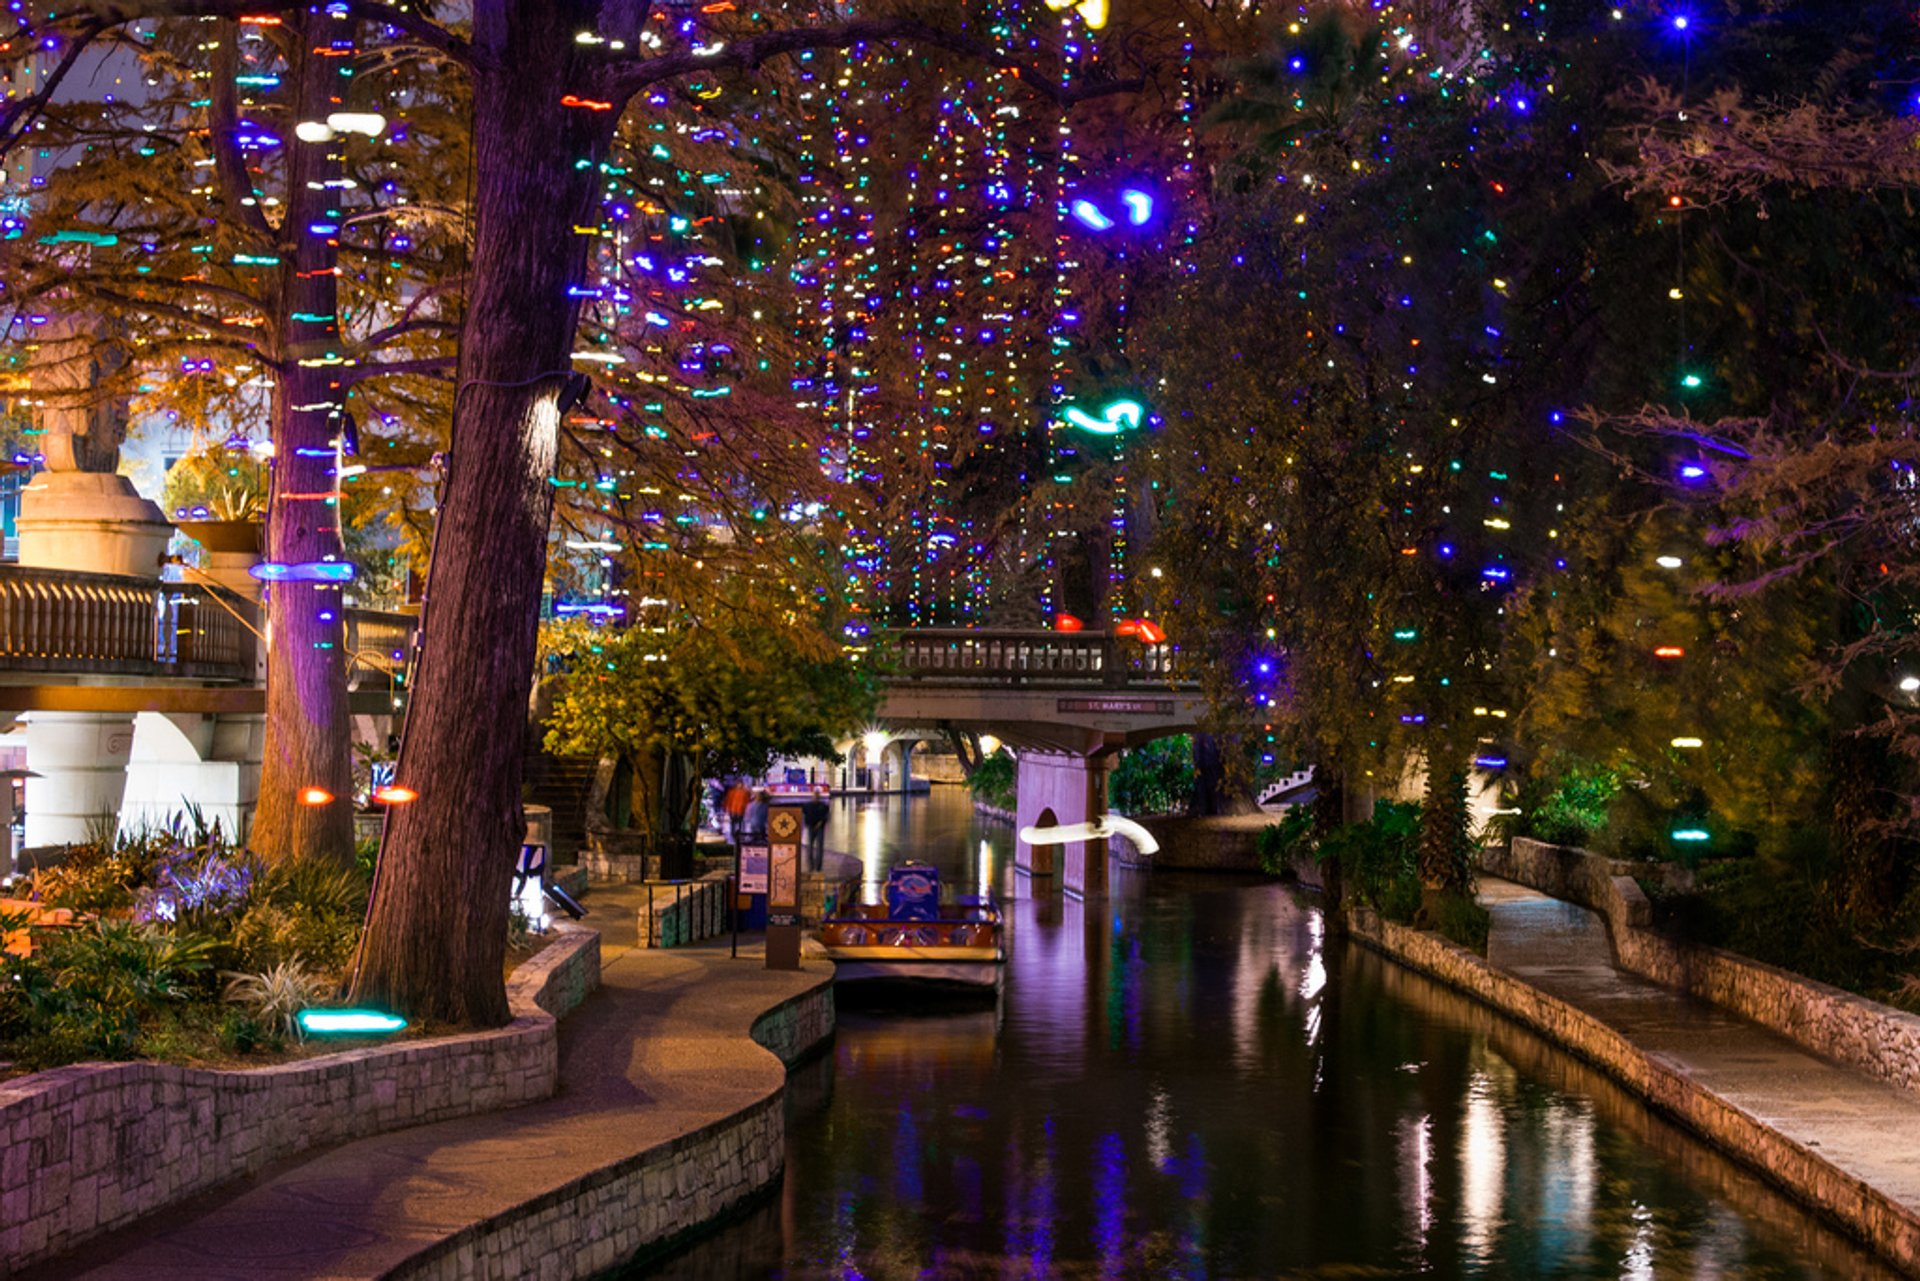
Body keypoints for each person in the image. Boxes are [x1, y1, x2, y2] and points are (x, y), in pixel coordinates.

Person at [802, 786, 830, 872]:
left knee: (818, 847)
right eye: (815, 795)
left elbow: (826, 816)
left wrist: (821, 822)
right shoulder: (807, 806)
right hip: (811, 826)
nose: (816, 796)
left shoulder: (823, 806)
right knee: (811, 846)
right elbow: (805, 815)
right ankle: (812, 865)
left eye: (817, 795)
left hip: (818, 827)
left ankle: (817, 866)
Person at [723, 779, 750, 843]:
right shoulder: (732, 792)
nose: (740, 785)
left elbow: (747, 801)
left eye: (740, 783)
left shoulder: (745, 792)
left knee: (739, 823)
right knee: (734, 823)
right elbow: (728, 800)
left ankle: (739, 835)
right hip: (733, 810)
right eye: (739, 783)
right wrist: (726, 808)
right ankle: (734, 834)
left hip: (740, 810)